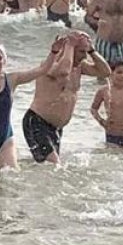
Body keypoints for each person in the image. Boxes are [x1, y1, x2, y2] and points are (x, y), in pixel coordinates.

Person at [21, 32, 111, 164]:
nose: (84, 56)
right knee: (53, 164)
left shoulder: (79, 67)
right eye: (81, 51)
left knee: (48, 169)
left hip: (56, 128)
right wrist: (69, 44)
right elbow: (63, 72)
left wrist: (92, 50)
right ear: (70, 49)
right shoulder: (50, 63)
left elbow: (105, 71)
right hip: (37, 122)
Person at [91, 60, 123, 149]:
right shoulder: (103, 91)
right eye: (119, 72)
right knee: (113, 158)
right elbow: (93, 109)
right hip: (112, 133)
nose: (122, 76)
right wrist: (101, 121)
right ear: (111, 74)